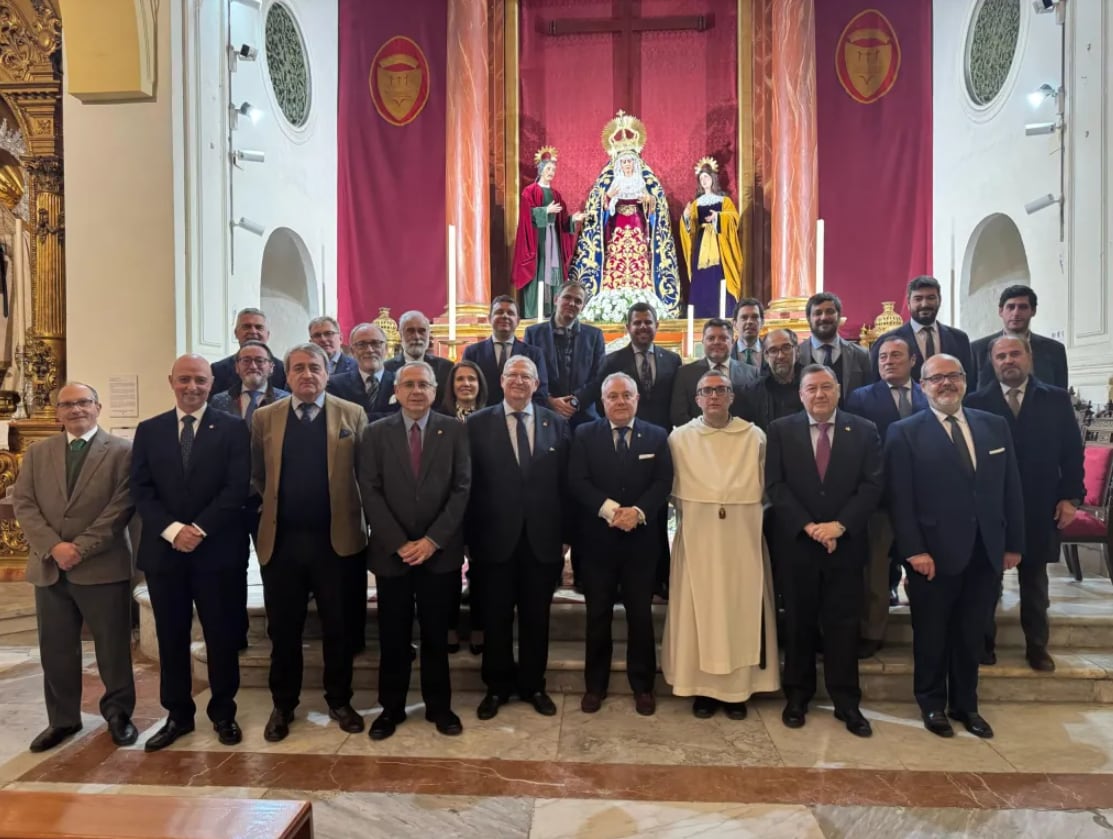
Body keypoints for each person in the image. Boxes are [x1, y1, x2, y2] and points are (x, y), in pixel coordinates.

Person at [885, 354, 1024, 739]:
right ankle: (931, 704)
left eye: (953, 376)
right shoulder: (904, 432)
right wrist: (913, 551)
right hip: (932, 553)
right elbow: (901, 499)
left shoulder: (994, 426)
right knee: (931, 634)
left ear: (964, 381)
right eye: (936, 378)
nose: (946, 384)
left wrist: (1013, 543)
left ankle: (966, 705)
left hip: (985, 550)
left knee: (971, 633)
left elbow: (1011, 488)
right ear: (923, 385)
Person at [130, 355, 250, 751]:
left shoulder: (233, 429)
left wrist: (197, 529)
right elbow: (141, 490)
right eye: (184, 379)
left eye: (200, 380)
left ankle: (223, 712)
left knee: (221, 635)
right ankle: (178, 714)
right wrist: (173, 530)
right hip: (166, 555)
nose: (192, 387)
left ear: (211, 383)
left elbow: (236, 488)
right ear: (171, 381)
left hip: (216, 551)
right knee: (171, 636)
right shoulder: (150, 431)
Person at [251, 342, 369, 741]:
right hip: (282, 544)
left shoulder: (351, 414)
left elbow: (365, 476)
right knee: (284, 630)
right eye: (298, 368)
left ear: (326, 372)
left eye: (314, 367)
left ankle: (340, 699)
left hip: (336, 544)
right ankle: (283, 704)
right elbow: (256, 477)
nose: (307, 374)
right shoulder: (265, 418)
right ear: (285, 375)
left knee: (339, 627)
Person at [13, 383, 137, 753]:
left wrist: (78, 549)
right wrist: (53, 546)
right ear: (57, 413)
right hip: (50, 567)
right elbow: (24, 502)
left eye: (83, 402)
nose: (76, 409)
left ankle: (118, 714)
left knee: (112, 647)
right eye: (67, 404)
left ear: (98, 407)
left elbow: (120, 508)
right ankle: (63, 719)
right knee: (56, 649)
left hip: (101, 565)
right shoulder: (38, 453)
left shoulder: (122, 452)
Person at [766, 365, 883, 737]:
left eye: (826, 387)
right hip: (798, 544)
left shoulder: (864, 431)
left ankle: (846, 700)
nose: (819, 394)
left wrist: (839, 526)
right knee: (798, 623)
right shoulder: (780, 431)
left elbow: (871, 486)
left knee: (843, 624)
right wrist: (809, 526)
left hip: (845, 545)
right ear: (801, 394)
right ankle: (797, 696)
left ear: (838, 390)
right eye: (811, 388)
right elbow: (775, 485)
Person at [359, 361, 471, 740]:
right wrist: (400, 542)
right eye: (408, 384)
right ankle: (391, 709)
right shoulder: (376, 433)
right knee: (393, 637)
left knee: (437, 637)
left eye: (424, 384)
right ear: (396, 390)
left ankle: (439, 707)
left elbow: (462, 488)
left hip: (439, 554)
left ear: (436, 390)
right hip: (394, 556)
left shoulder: (454, 430)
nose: (416, 391)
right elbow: (369, 490)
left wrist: (431, 540)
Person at [662, 369, 780, 718]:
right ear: (696, 399)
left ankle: (738, 691)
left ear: (731, 396)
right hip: (698, 538)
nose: (713, 396)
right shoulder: (679, 439)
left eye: (721, 390)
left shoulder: (754, 436)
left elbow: (767, 486)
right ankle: (701, 688)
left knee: (740, 609)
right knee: (700, 611)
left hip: (742, 539)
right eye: (706, 391)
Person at [965, 335, 1084, 672]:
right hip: (991, 505)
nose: (1008, 361)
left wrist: (1071, 497)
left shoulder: (1056, 400)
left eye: (1015, 354)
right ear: (992, 362)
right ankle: (984, 644)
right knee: (986, 581)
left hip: (1038, 503)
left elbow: (1072, 454)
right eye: (1000, 356)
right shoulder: (977, 401)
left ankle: (1037, 646)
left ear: (1029, 357)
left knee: (1034, 581)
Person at [466, 355, 570, 720]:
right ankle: (496, 687)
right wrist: (468, 540)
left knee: (535, 619)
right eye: (513, 374)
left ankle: (532, 685)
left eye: (527, 376)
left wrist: (565, 537)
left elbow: (565, 486)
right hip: (492, 541)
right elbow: (468, 485)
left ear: (537, 384)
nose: (519, 381)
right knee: (495, 618)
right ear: (501, 379)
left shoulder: (555, 424)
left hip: (541, 541)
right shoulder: (476, 425)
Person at [569, 372, 672, 715]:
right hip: (598, 544)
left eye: (627, 395)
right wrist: (612, 511)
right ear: (602, 402)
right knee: (597, 616)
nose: (620, 401)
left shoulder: (658, 437)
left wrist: (638, 512)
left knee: (640, 617)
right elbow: (578, 481)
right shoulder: (584, 435)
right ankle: (595, 686)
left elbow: (663, 482)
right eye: (612, 396)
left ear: (637, 399)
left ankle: (643, 686)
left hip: (641, 545)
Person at [581, 301, 680, 598]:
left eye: (648, 322)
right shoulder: (613, 360)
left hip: (655, 445)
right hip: (617, 443)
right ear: (628, 328)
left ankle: (658, 578)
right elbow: (600, 396)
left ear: (656, 326)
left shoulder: (672, 360)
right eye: (636, 323)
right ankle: (615, 582)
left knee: (655, 518)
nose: (642, 327)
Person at [846, 334, 930, 654]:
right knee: (876, 572)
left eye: (896, 355)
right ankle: (872, 632)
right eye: (882, 356)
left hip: (923, 500)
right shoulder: (860, 398)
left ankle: (926, 627)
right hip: (879, 500)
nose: (888, 361)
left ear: (912, 361)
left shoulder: (928, 395)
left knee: (923, 568)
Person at [209, 339, 290, 650]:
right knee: (231, 568)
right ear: (237, 367)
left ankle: (278, 632)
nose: (253, 366)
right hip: (228, 501)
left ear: (271, 367)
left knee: (275, 569)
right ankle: (234, 633)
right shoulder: (217, 403)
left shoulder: (286, 401)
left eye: (260, 360)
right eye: (246, 360)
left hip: (268, 501)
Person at [569, 112, 680, 315]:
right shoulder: (612, 182)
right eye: (624, 163)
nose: (627, 165)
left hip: (637, 224)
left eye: (630, 162)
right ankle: (612, 300)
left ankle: (643, 298)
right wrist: (607, 198)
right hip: (617, 224)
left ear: (634, 163)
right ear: (619, 164)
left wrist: (649, 202)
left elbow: (656, 209)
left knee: (639, 259)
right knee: (615, 258)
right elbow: (599, 209)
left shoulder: (644, 180)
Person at [438, 359, 489, 654]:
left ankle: (480, 626)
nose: (466, 384)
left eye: (472, 379)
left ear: (480, 385)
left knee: (482, 571)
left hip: (483, 505)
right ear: (451, 386)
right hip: (447, 504)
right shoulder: (439, 417)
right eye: (460, 380)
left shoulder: (492, 417)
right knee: (447, 572)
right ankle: (449, 627)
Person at [510, 147, 584, 319]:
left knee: (554, 270)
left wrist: (573, 219)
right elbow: (526, 216)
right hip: (537, 240)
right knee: (540, 269)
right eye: (549, 169)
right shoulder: (530, 191)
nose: (551, 172)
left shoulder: (556, 194)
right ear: (541, 169)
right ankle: (535, 311)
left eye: (553, 170)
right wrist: (544, 211)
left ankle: (553, 309)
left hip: (553, 238)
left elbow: (562, 221)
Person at [524, 280, 605, 430]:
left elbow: (599, 377)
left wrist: (575, 401)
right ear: (556, 299)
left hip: (584, 416)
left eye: (578, 301)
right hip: (544, 414)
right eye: (567, 297)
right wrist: (550, 401)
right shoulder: (533, 334)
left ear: (583, 306)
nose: (572, 303)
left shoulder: (594, 336)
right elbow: (528, 373)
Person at [869, 276, 973, 382]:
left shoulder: (959, 338)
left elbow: (970, 381)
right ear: (908, 303)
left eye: (931, 298)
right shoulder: (886, 341)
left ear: (939, 301)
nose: (925, 304)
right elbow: (875, 383)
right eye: (918, 299)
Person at [678, 157, 743, 318]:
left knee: (719, 275)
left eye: (706, 177)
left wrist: (718, 217)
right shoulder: (696, 204)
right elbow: (690, 230)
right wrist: (685, 218)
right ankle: (700, 313)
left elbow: (735, 218)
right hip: (701, 246)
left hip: (719, 245)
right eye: (701, 178)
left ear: (713, 178)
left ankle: (724, 312)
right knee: (702, 279)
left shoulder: (724, 201)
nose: (704, 181)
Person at [971, 285, 1068, 390]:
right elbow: (969, 396)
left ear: (1033, 311)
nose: (1016, 313)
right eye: (1011, 307)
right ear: (1000, 311)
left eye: (1022, 307)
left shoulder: (1054, 350)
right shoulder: (977, 350)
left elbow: (1061, 396)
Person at [670, 318, 759, 428]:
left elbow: (756, 411)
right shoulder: (685, 373)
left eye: (723, 338)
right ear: (703, 341)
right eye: (711, 338)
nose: (716, 342)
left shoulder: (750, 373)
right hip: (698, 440)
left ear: (732, 341)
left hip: (740, 438)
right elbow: (679, 415)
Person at [463, 295, 549, 406]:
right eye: (499, 312)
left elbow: (540, 393)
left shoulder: (534, 354)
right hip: (483, 418)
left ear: (518, 321)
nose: (504, 316)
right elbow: (467, 390)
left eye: (510, 313)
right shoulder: (472, 353)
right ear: (489, 318)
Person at [796, 293, 873, 403]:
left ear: (839, 316)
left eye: (830, 312)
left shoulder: (861, 355)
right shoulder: (796, 355)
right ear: (809, 318)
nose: (824, 317)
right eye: (818, 313)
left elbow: (868, 395)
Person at [327, 323, 397, 423]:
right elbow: (338, 419)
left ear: (386, 349)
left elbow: (404, 416)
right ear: (352, 351)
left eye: (375, 343)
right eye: (361, 345)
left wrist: (357, 417)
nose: (369, 350)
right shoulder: (336, 384)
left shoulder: (400, 382)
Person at [737, 328, 803, 432]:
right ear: (766, 356)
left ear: (797, 351)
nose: (780, 356)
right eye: (773, 350)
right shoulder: (751, 393)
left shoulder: (813, 386)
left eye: (786, 347)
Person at [210, 308, 288, 396]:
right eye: (246, 327)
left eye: (259, 327)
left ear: (267, 334)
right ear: (236, 333)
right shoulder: (218, 370)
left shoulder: (284, 370)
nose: (253, 331)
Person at [384, 310, 454, 406]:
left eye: (422, 331)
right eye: (411, 331)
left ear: (429, 335)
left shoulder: (446, 368)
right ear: (400, 335)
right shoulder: (386, 369)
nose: (417, 336)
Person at [731, 298, 765, 368]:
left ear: (762, 323)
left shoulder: (771, 352)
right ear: (735, 324)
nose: (749, 321)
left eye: (754, 317)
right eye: (744, 317)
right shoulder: (725, 355)